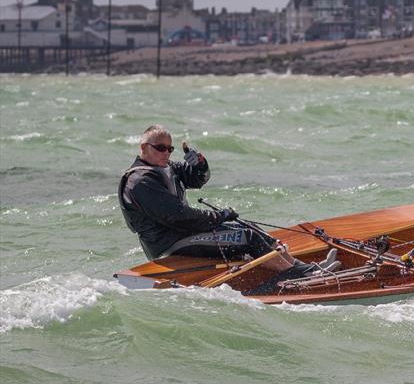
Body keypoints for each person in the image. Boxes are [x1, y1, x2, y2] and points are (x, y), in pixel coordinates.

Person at [118, 125, 338, 292]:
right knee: (246, 237)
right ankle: (298, 275)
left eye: (170, 148)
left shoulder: (166, 168)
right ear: (143, 148)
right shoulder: (140, 182)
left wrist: (200, 163)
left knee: (248, 228)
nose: (166, 153)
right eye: (160, 148)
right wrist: (217, 216)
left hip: (183, 234)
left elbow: (197, 179)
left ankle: (303, 268)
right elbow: (178, 217)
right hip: (168, 243)